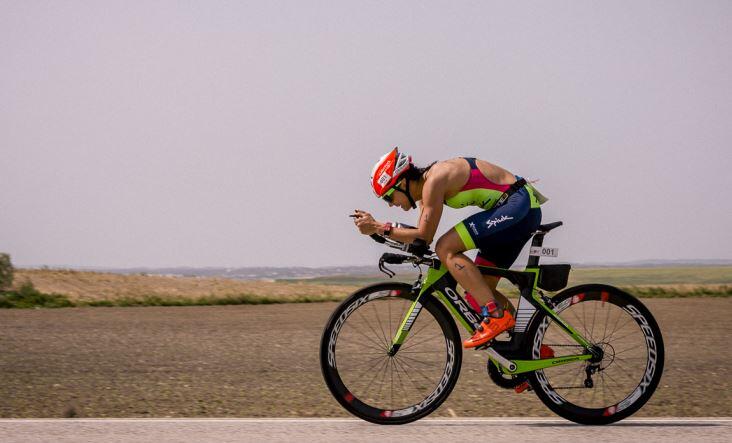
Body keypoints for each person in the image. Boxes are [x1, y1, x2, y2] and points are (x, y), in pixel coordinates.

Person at [352, 147, 546, 348]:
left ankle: (496, 316)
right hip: (517, 211)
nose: (391, 205)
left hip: (516, 204)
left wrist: (377, 227)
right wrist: (380, 233)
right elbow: (420, 241)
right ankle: (527, 347)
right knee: (476, 291)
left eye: (388, 197)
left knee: (445, 247)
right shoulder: (426, 193)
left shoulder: (434, 181)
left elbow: (425, 236)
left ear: (401, 183)